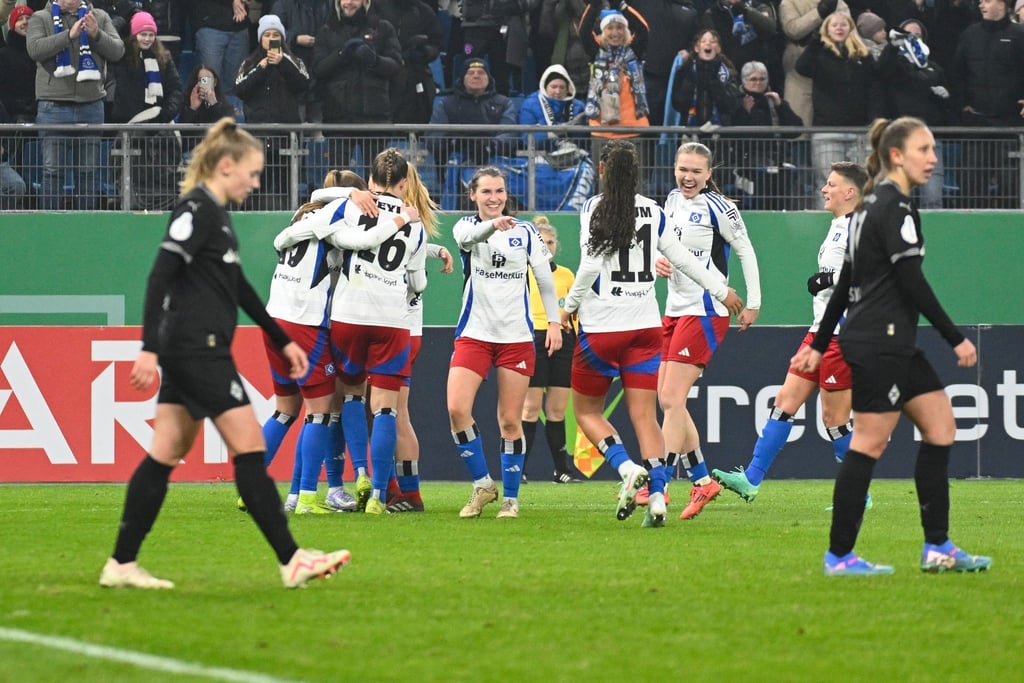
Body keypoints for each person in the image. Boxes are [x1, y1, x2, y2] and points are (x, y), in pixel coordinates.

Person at [99, 118, 351, 590]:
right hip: (197, 350)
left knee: (165, 450)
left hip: (192, 348)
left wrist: (281, 339)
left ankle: (121, 563)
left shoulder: (216, 214)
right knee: (250, 448)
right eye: (252, 174)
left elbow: (237, 287)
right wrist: (147, 349)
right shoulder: (194, 210)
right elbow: (160, 277)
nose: (255, 183)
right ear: (226, 165)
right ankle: (292, 559)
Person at [791, 116, 992, 576]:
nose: (933, 158)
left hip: (884, 339)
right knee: (868, 444)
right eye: (924, 149)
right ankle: (839, 556)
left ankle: (937, 546)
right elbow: (911, 280)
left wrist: (821, 344)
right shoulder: (893, 209)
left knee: (940, 427)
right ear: (897, 156)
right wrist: (954, 336)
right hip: (880, 341)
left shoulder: (864, 209)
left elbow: (843, 284)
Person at [559, 140, 742, 527]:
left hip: (603, 327)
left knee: (587, 411)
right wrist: (720, 289)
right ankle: (658, 496)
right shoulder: (656, 211)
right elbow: (683, 259)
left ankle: (626, 469)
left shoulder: (594, 207)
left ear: (604, 170)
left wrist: (569, 305)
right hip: (645, 328)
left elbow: (589, 266)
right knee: (645, 416)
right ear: (638, 173)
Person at [713, 161, 867, 502]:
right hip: (819, 332)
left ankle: (860, 492)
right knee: (784, 402)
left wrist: (826, 279)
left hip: (842, 335)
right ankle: (751, 479)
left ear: (850, 192)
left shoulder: (859, 226)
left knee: (834, 420)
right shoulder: (839, 225)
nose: (824, 190)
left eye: (831, 184)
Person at [447, 166, 563, 520]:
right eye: (486, 192)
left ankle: (510, 500)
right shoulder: (465, 227)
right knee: (456, 409)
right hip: (475, 334)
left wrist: (555, 323)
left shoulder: (526, 232)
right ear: (473, 195)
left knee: (511, 421)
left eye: (499, 191)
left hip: (515, 337)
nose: (494, 198)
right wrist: (492, 226)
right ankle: (483, 484)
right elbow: (470, 239)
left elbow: (544, 279)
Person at [656, 140, 760, 521]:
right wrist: (658, 262)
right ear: (675, 168)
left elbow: (746, 250)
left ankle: (659, 484)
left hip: (707, 309)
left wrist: (753, 302)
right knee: (669, 401)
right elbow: (665, 247)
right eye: (683, 169)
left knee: (670, 398)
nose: (688, 176)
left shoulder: (720, 208)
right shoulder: (669, 200)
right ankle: (702, 481)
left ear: (708, 174)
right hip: (673, 309)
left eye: (696, 171)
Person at [325, 148, 428, 515]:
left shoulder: (352, 206)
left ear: (369, 181)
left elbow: (321, 210)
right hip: (392, 320)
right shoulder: (415, 223)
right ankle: (381, 498)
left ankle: (360, 474)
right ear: (404, 184)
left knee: (351, 395)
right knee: (387, 410)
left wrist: (350, 194)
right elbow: (418, 282)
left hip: (350, 312)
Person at [26, 0, 125, 211]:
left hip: (91, 106)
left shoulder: (98, 16)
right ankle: (50, 224)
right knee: (52, 171)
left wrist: (96, 34)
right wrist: (67, 36)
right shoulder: (40, 18)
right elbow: (34, 49)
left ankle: (86, 224)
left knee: (88, 171)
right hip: (53, 106)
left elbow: (118, 51)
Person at [796, 10, 882, 208]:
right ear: (826, 30)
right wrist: (816, 41)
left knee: (860, 183)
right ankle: (828, 228)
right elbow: (802, 68)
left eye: (843, 24)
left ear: (851, 28)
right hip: (827, 130)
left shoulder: (863, 55)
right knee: (829, 183)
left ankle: (858, 228)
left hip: (860, 130)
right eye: (834, 25)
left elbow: (874, 89)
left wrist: (873, 119)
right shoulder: (819, 52)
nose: (839, 28)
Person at [520, 216, 580, 484]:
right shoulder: (524, 272)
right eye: (542, 242)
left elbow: (576, 308)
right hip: (535, 337)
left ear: (557, 245)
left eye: (551, 242)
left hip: (564, 339)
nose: (547, 246)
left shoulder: (567, 275)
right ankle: (518, 469)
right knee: (530, 409)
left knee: (557, 410)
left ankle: (562, 470)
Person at [947, 0, 1024, 208]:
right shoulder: (970, 34)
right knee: (971, 183)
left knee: (1011, 183)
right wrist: (962, 103)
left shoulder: (1020, 34)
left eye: (987, 0)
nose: (982, 5)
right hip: (976, 123)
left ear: (1004, 4)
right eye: (980, 1)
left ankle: (1013, 228)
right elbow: (958, 73)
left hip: (1009, 122)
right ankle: (970, 230)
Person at [312, 0, 402, 173]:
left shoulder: (383, 28)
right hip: (338, 120)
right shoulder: (327, 30)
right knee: (338, 185)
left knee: (379, 182)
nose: (349, 2)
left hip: (375, 120)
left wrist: (375, 60)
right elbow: (318, 69)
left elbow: (396, 65)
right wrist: (340, 55)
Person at [108, 11, 184, 210]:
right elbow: (108, 35)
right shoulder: (122, 56)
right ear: (134, 35)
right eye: (143, 34)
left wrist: (164, 114)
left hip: (159, 128)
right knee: (131, 175)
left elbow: (176, 89)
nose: (147, 39)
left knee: (160, 177)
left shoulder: (164, 58)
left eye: (151, 35)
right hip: (130, 128)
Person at [234, 14, 310, 210]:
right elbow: (240, 89)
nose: (271, 38)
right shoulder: (250, 62)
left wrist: (283, 62)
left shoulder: (294, 60)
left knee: (286, 187)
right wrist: (261, 68)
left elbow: (304, 84)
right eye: (267, 34)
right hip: (257, 138)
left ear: (282, 38)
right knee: (257, 186)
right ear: (260, 38)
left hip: (287, 136)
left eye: (275, 34)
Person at [875, 20, 955, 209]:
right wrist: (893, 48)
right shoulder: (895, 65)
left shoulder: (934, 68)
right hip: (901, 139)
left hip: (930, 137)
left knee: (933, 196)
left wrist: (945, 96)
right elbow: (881, 71)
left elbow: (949, 106)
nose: (912, 38)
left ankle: (932, 235)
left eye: (916, 35)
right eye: (908, 35)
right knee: (897, 198)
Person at [578, 3, 651, 168]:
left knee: (634, 185)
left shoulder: (634, 51)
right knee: (604, 185)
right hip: (602, 131)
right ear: (603, 32)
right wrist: (593, 6)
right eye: (610, 28)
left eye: (619, 27)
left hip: (633, 130)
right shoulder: (596, 52)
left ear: (626, 30)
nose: (615, 33)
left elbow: (643, 29)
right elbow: (583, 31)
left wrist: (622, 6)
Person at [727, 60, 804, 210]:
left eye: (762, 79)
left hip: (778, 162)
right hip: (750, 165)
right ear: (744, 81)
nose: (758, 83)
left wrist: (781, 106)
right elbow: (735, 136)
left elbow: (797, 129)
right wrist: (745, 113)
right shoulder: (736, 101)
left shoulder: (773, 101)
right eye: (753, 79)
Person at [427, 58, 520, 170]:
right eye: (470, 73)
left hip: (496, 164)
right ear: (463, 78)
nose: (476, 76)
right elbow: (434, 137)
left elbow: (509, 134)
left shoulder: (504, 103)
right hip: (455, 163)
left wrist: (489, 146)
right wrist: (457, 143)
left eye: (481, 72)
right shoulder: (446, 104)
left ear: (489, 78)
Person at [778, 0, 850, 133]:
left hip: (832, 72)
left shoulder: (838, 3)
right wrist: (820, 11)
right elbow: (793, 30)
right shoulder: (789, 2)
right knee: (800, 133)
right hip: (799, 74)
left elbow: (849, 28)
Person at [369, 0, 443, 124]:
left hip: (415, 72)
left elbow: (436, 42)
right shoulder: (375, 7)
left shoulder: (424, 11)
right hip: (382, 71)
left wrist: (424, 52)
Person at [269, 0, 331, 122]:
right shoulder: (283, 4)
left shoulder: (327, 4)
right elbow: (271, 36)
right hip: (291, 75)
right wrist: (295, 39)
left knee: (318, 131)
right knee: (295, 126)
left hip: (319, 74)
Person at [670, 28, 743, 130]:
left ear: (718, 48)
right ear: (696, 48)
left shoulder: (729, 73)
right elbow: (678, 104)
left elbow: (731, 105)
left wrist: (714, 80)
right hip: (690, 133)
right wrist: (691, 79)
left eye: (713, 41)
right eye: (703, 41)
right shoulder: (684, 71)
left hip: (720, 135)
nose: (708, 44)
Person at [188, 0, 249, 101]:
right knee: (207, 82)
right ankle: (207, 113)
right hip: (209, 25)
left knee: (237, 84)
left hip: (240, 27)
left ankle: (232, 115)